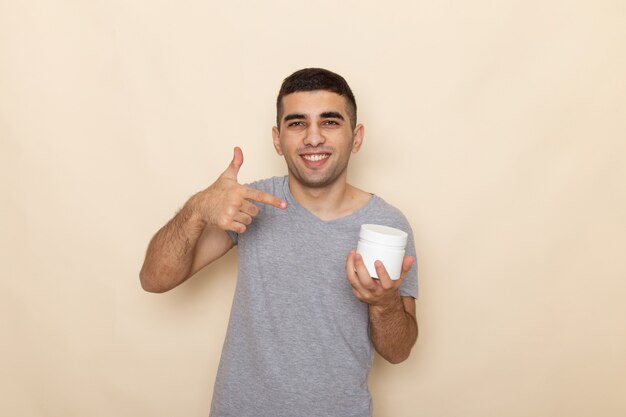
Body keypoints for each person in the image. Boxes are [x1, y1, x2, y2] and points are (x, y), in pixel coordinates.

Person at [140, 68, 418, 417]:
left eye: (330, 122)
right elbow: (153, 279)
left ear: (356, 136)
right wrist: (196, 208)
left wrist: (384, 304)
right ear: (277, 138)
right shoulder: (249, 204)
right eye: (297, 123)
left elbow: (399, 351)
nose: (313, 138)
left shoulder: (388, 226)